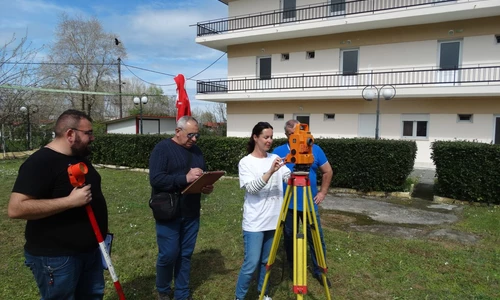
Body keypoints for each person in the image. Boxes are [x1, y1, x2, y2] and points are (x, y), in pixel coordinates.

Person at [8, 109, 107, 300]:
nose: (93, 138)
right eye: (88, 133)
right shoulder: (40, 162)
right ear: (70, 134)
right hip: (58, 258)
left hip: (90, 251)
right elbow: (16, 208)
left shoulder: (78, 157)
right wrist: (69, 202)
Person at [149, 116, 214, 300]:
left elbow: (200, 176)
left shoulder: (197, 151)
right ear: (178, 131)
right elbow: (156, 179)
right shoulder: (162, 149)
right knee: (168, 255)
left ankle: (182, 294)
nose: (194, 139)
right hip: (168, 211)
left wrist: (206, 186)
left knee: (185, 255)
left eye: (197, 136)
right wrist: (184, 178)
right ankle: (163, 289)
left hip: (191, 212)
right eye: (191, 135)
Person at [272, 119, 334, 287]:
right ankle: (293, 268)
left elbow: (328, 171)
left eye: (302, 133)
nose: (300, 138)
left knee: (316, 238)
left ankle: (319, 270)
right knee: (289, 237)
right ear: (287, 135)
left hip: (309, 204)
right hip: (289, 204)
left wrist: (322, 192)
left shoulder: (315, 149)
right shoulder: (278, 152)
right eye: (294, 134)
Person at [235, 122, 291, 300]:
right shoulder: (246, 162)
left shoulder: (275, 157)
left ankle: (263, 292)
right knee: (251, 263)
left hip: (274, 220)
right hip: (255, 222)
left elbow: (287, 176)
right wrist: (270, 171)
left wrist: (297, 171)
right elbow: (251, 188)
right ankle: (240, 296)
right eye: (266, 137)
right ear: (255, 137)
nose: (270, 140)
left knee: (267, 262)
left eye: (271, 137)